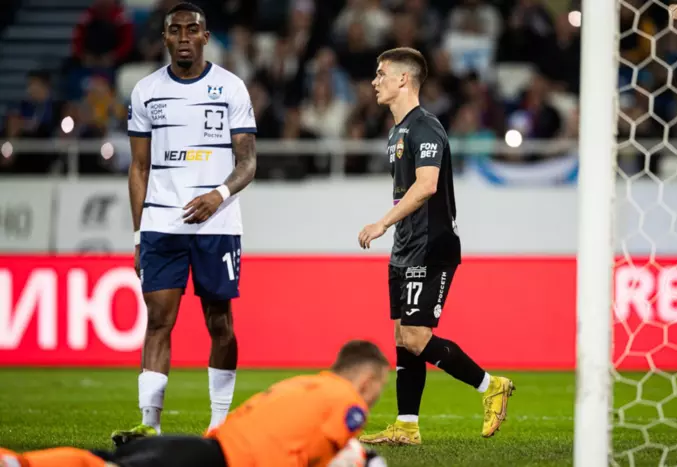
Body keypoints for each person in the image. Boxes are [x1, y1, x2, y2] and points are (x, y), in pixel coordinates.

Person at [112, 2, 257, 444]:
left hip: (217, 225)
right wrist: (139, 234)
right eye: (175, 30)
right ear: (164, 38)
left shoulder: (230, 88)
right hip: (162, 223)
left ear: (205, 37)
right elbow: (139, 168)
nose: (183, 38)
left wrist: (218, 196)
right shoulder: (146, 91)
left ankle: (219, 423)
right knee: (159, 320)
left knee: (220, 322)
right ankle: (149, 423)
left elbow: (248, 162)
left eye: (192, 29)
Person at [357, 47, 515, 445]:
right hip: (407, 244)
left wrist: (382, 223)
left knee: (415, 336)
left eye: (381, 74)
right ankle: (407, 425)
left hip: (431, 244)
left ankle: (490, 385)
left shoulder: (425, 127)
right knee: (402, 337)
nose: (375, 81)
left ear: (403, 79)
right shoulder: (396, 132)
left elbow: (426, 186)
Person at [0, 340, 390, 467]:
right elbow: (347, 452)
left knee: (99, 461)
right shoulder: (347, 401)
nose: (374, 398)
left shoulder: (305, 384)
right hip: (209, 462)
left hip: (196, 450)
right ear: (366, 381)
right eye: (380, 387)